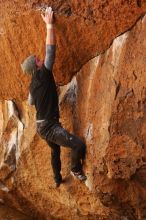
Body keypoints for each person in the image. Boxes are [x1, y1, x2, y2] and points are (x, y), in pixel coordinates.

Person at [21, 7, 87, 187]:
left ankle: (57, 179)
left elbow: (30, 102)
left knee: (54, 151)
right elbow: (50, 51)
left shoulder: (33, 85)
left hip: (41, 127)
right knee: (78, 145)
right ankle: (75, 169)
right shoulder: (43, 74)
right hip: (49, 127)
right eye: (37, 60)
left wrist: (46, 94)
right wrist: (49, 25)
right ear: (36, 67)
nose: (39, 58)